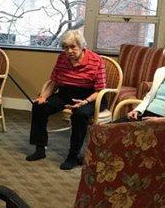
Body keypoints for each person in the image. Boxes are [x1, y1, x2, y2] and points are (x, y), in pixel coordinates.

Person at [26, 30, 106, 170]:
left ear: (82, 46)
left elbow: (99, 90)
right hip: (66, 93)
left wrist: (85, 101)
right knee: (39, 107)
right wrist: (43, 96)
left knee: (80, 115)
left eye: (73, 47)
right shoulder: (62, 58)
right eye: (66, 47)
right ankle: (40, 149)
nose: (69, 51)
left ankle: (73, 156)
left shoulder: (96, 60)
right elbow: (54, 82)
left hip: (91, 96)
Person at [117, 35, 165, 121]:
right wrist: (137, 110)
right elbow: (150, 96)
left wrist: (164, 120)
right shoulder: (160, 71)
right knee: (108, 129)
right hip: (145, 113)